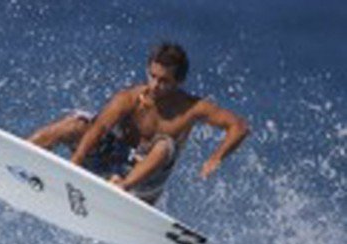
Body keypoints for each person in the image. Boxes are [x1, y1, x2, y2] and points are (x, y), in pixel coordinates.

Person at [28, 42, 249, 205]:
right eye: (152, 76)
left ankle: (120, 189)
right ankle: (18, 152)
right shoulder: (130, 99)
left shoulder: (192, 108)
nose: (154, 85)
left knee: (164, 145)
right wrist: (73, 165)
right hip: (110, 164)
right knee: (77, 123)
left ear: (179, 82)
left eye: (164, 81)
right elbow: (99, 128)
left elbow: (239, 126)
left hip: (145, 185)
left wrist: (216, 157)